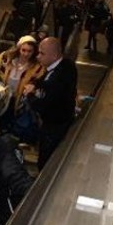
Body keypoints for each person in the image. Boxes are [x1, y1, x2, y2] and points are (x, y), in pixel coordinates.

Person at [22, 37, 78, 170]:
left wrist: (29, 94)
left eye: (42, 53)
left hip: (55, 125)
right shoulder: (61, 65)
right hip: (52, 122)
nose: (38, 56)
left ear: (54, 55)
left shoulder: (62, 74)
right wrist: (35, 84)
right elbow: (44, 81)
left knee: (46, 159)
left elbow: (43, 104)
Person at [0, 36, 46, 142]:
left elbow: (39, 83)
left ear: (34, 52)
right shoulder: (7, 59)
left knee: (14, 125)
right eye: (23, 50)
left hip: (19, 102)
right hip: (4, 98)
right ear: (19, 48)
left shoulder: (37, 67)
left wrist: (32, 88)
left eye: (29, 51)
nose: (25, 54)